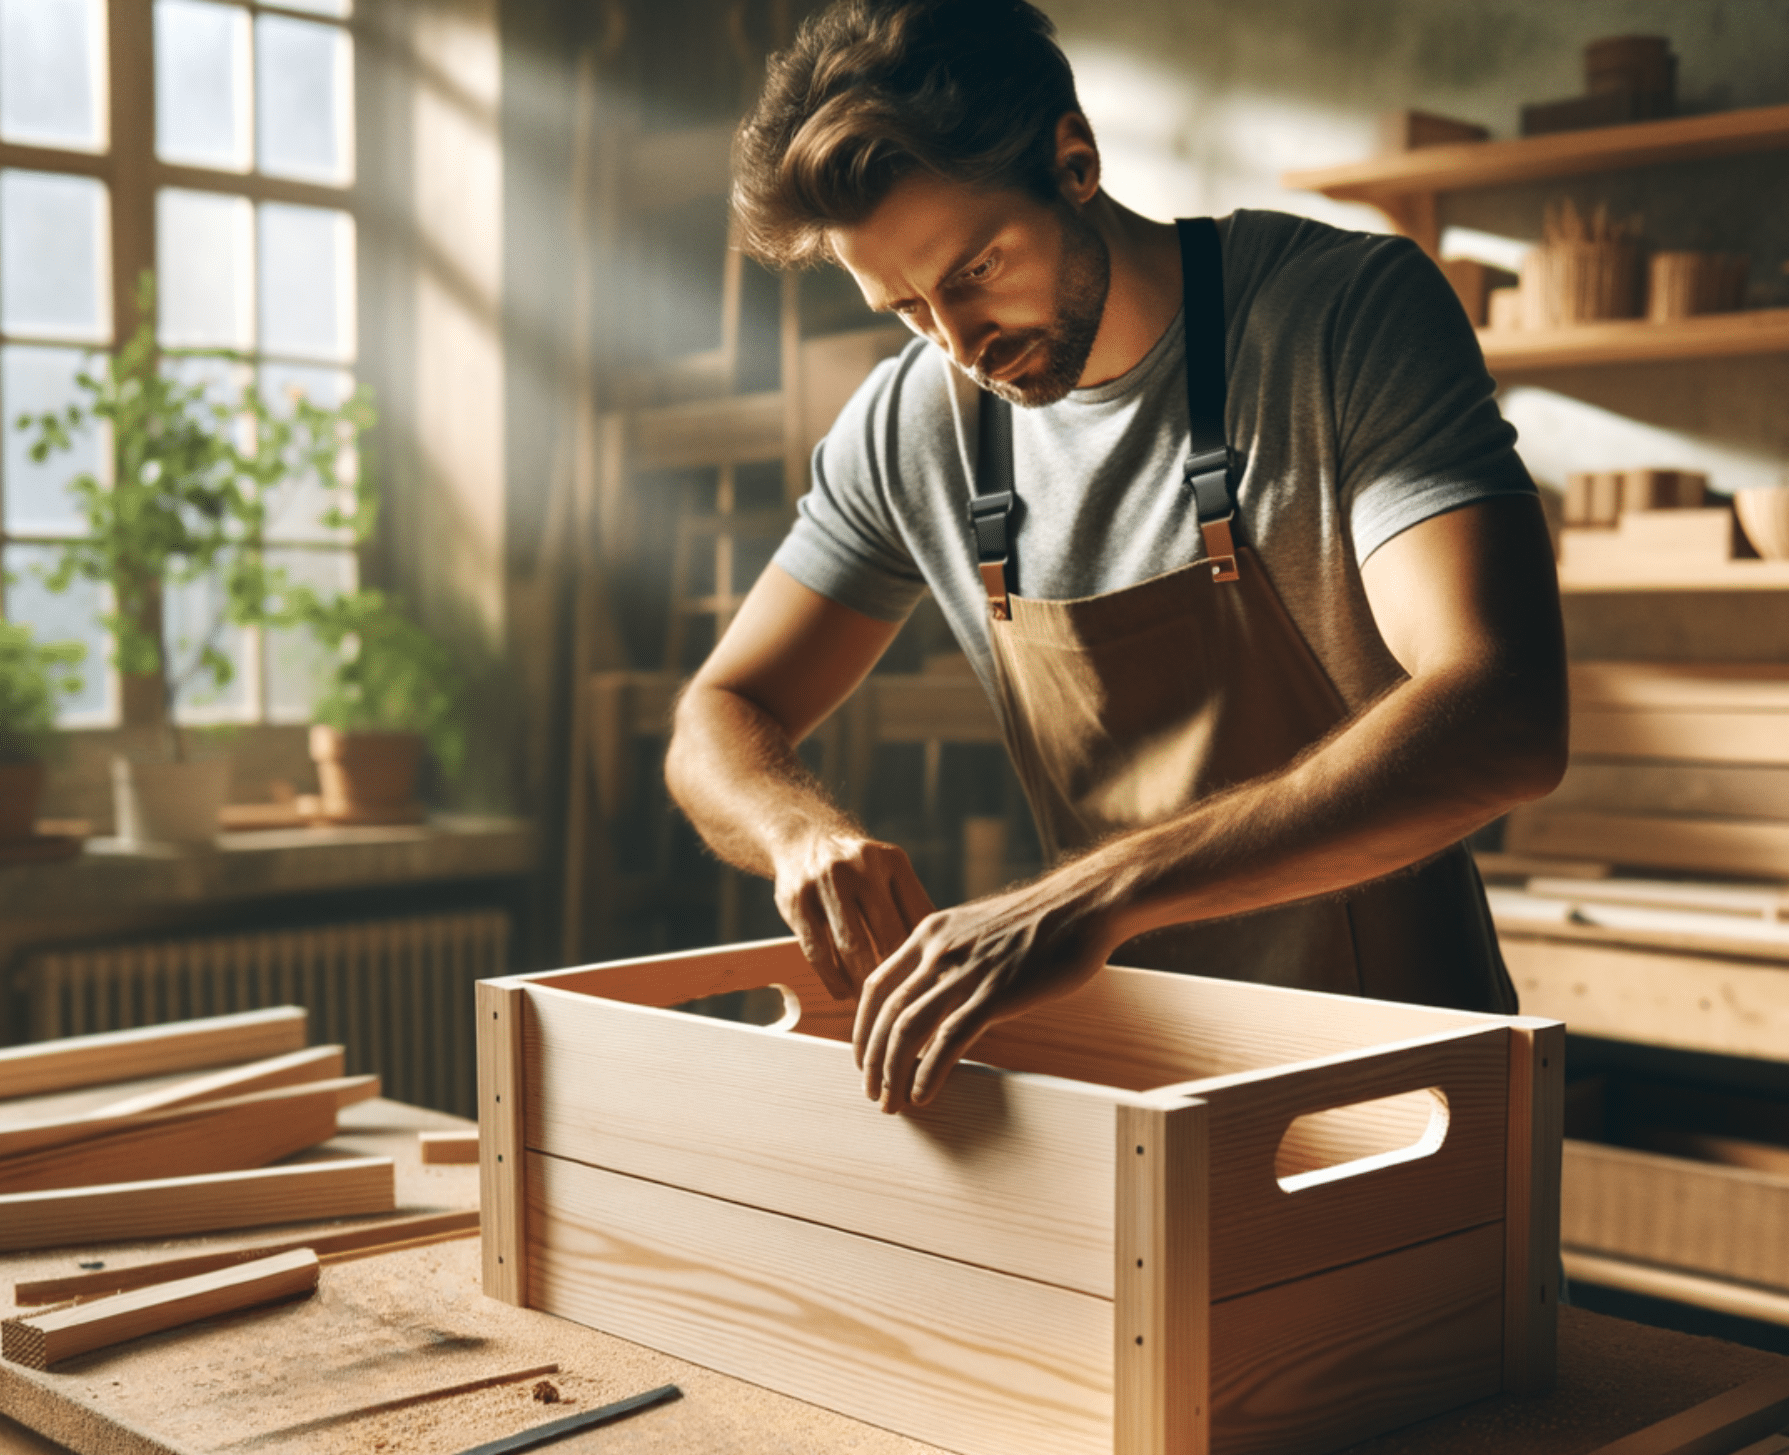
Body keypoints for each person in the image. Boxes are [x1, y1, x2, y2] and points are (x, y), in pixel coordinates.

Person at [664, 0, 1567, 1115]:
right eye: (904, 308)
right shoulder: (912, 424)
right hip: (1124, 1089)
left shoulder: (1342, 320)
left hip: (1401, 1084)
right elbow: (720, 713)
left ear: (1073, 159)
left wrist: (1094, 896)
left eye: (977, 267)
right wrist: (801, 835)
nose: (960, 343)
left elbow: (1503, 713)